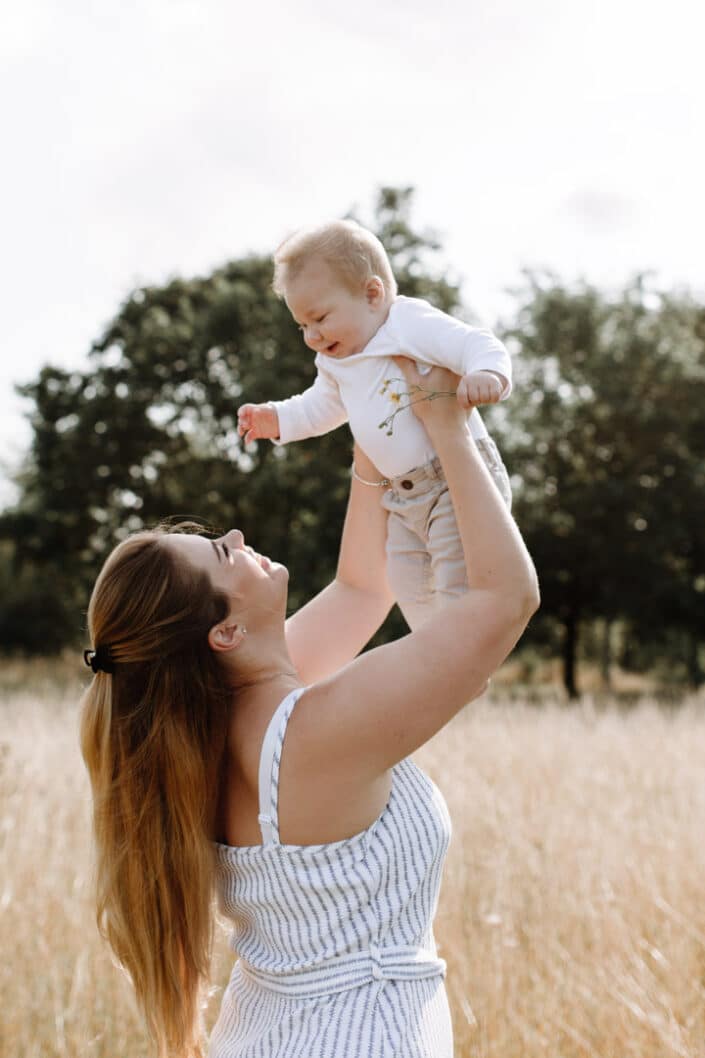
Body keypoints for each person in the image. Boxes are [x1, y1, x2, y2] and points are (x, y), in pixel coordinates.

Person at [80, 360, 539, 1058]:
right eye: (217, 552)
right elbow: (504, 601)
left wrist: (372, 444)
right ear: (224, 633)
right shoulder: (312, 734)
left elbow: (361, 587)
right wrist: (447, 427)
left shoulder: (220, 723)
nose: (233, 538)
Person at [237, 219, 513, 629]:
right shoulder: (334, 361)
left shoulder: (406, 324)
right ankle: (436, 649)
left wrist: (488, 374)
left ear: (372, 294)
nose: (312, 335)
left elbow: (476, 342)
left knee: (457, 576)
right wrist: (277, 419)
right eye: (302, 326)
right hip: (403, 497)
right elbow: (319, 408)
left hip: (453, 481)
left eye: (320, 318)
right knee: (406, 580)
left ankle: (464, 649)